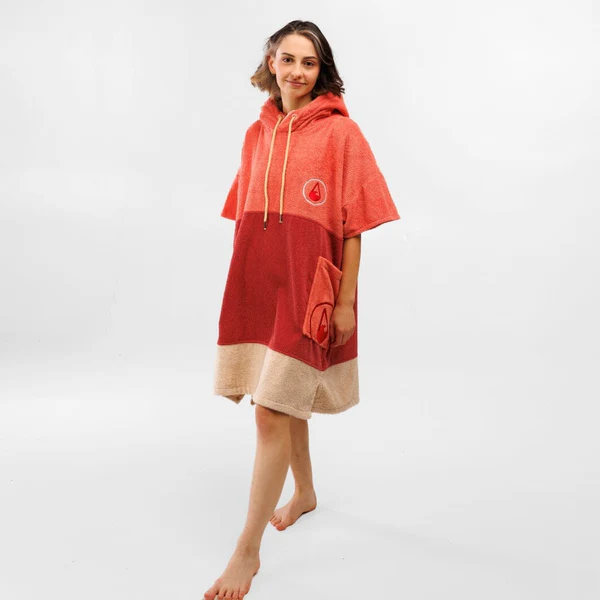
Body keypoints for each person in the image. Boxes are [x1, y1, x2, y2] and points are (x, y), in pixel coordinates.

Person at [204, 20, 400, 600]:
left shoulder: (342, 134)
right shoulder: (256, 134)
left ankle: (247, 551)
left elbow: (355, 224)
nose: (296, 72)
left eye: (308, 63)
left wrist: (345, 302)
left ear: (321, 71)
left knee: (270, 411)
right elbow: (246, 216)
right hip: (259, 286)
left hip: (309, 289)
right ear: (271, 63)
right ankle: (306, 493)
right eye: (287, 59)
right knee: (283, 400)